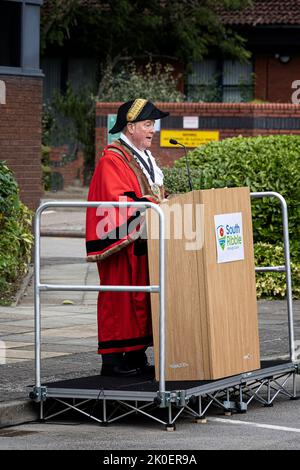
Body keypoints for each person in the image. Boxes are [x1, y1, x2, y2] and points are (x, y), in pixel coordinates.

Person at [85, 99, 169, 377]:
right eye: (147, 124)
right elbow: (116, 199)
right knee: (119, 299)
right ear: (130, 126)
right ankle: (112, 360)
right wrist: (152, 203)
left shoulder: (142, 157)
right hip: (121, 244)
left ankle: (135, 354)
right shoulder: (113, 158)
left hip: (142, 241)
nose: (152, 130)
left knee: (141, 298)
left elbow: (153, 194)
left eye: (153, 124)